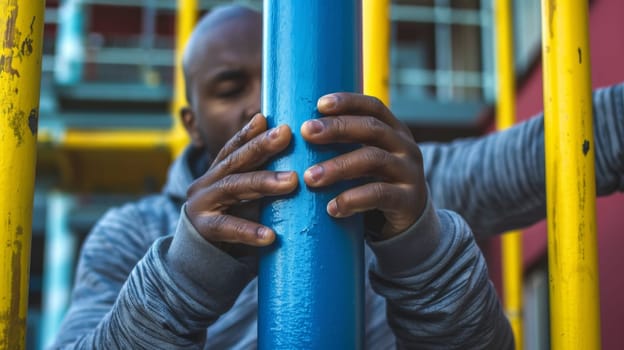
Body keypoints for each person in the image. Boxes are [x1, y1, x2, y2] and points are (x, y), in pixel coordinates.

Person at [51, 4, 624, 349]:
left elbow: (552, 151)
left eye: (280, 76)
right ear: (191, 123)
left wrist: (420, 243)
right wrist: (189, 271)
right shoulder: (130, 235)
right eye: (231, 88)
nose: (266, 104)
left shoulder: (395, 188)